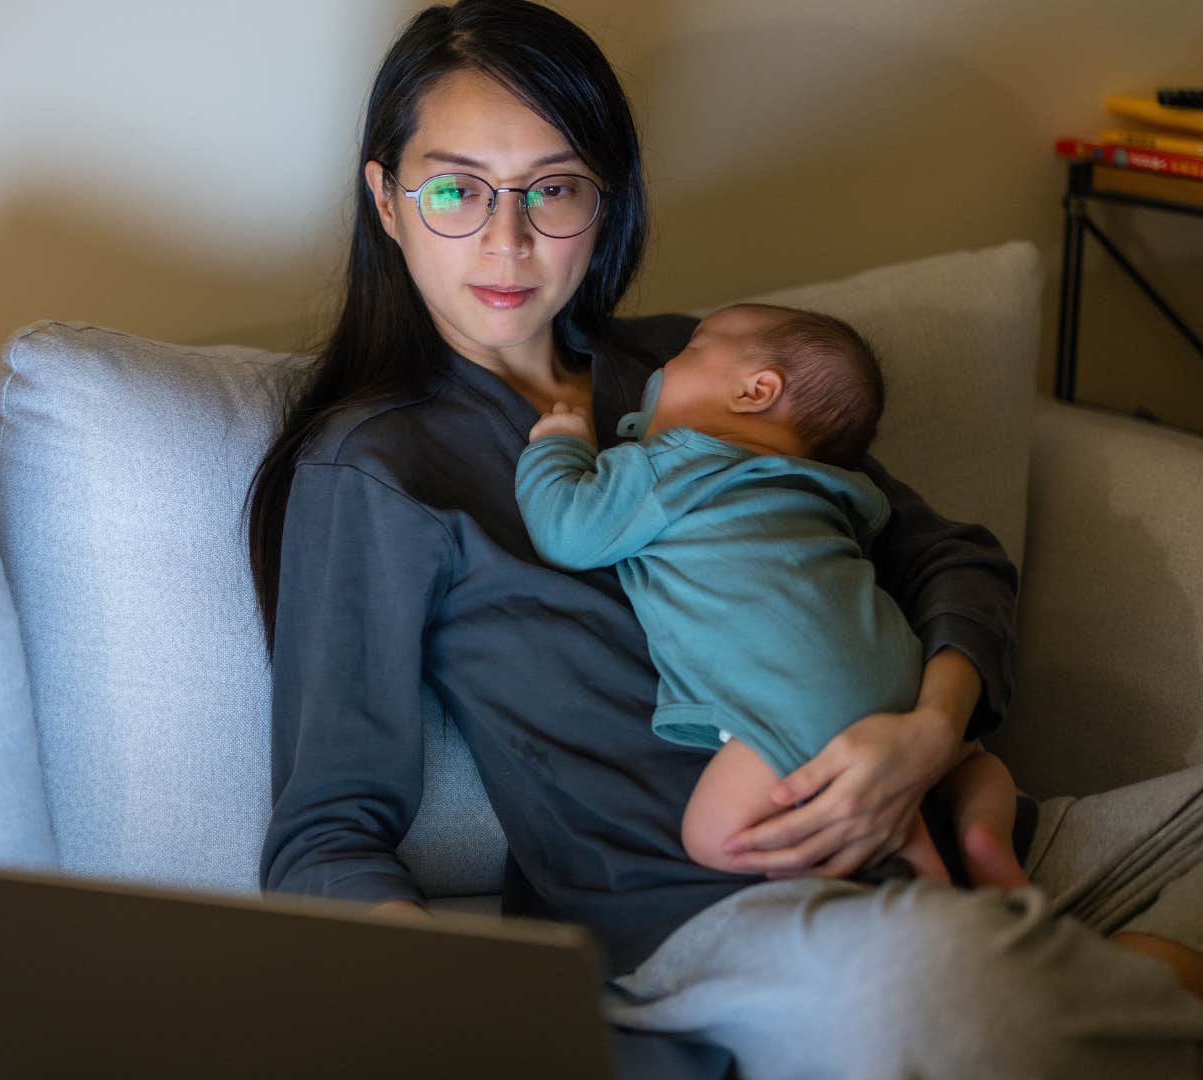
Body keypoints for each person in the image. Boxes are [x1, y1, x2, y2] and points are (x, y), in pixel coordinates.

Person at [245, 2, 1203, 1074]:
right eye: (457, 189)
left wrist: (930, 734)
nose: (507, 241)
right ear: (387, 199)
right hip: (722, 923)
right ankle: (1117, 993)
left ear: (605, 200)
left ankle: (1086, 995)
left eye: (553, 190)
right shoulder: (375, 467)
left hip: (971, 846)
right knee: (943, 992)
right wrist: (459, 1014)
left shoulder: (695, 371)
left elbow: (949, 559)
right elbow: (326, 828)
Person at [514, 301, 1028, 890]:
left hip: (800, 700)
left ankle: (901, 852)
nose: (666, 363)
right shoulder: (831, 490)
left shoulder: (672, 462)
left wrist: (559, 446)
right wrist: (939, 720)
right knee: (974, 759)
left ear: (756, 391)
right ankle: (983, 833)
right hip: (906, 670)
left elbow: (569, 531)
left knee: (711, 835)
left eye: (691, 350)